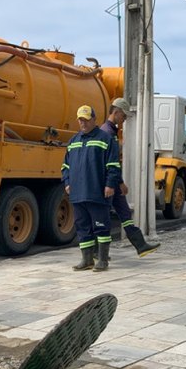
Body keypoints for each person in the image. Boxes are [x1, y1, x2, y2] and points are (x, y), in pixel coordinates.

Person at [61, 105, 121, 272]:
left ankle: (102, 260)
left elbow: (113, 165)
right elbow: (65, 165)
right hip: (77, 194)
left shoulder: (105, 139)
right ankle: (87, 260)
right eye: (80, 119)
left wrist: (110, 184)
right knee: (82, 227)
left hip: (97, 192)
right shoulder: (73, 141)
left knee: (101, 226)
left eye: (86, 119)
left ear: (94, 119)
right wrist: (66, 182)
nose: (83, 123)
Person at [99, 97, 160, 257]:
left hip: (113, 183)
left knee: (125, 213)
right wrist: (119, 183)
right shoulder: (107, 133)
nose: (125, 119)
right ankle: (98, 254)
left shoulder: (109, 131)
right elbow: (111, 163)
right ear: (116, 112)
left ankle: (141, 246)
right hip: (109, 184)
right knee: (103, 219)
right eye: (124, 116)